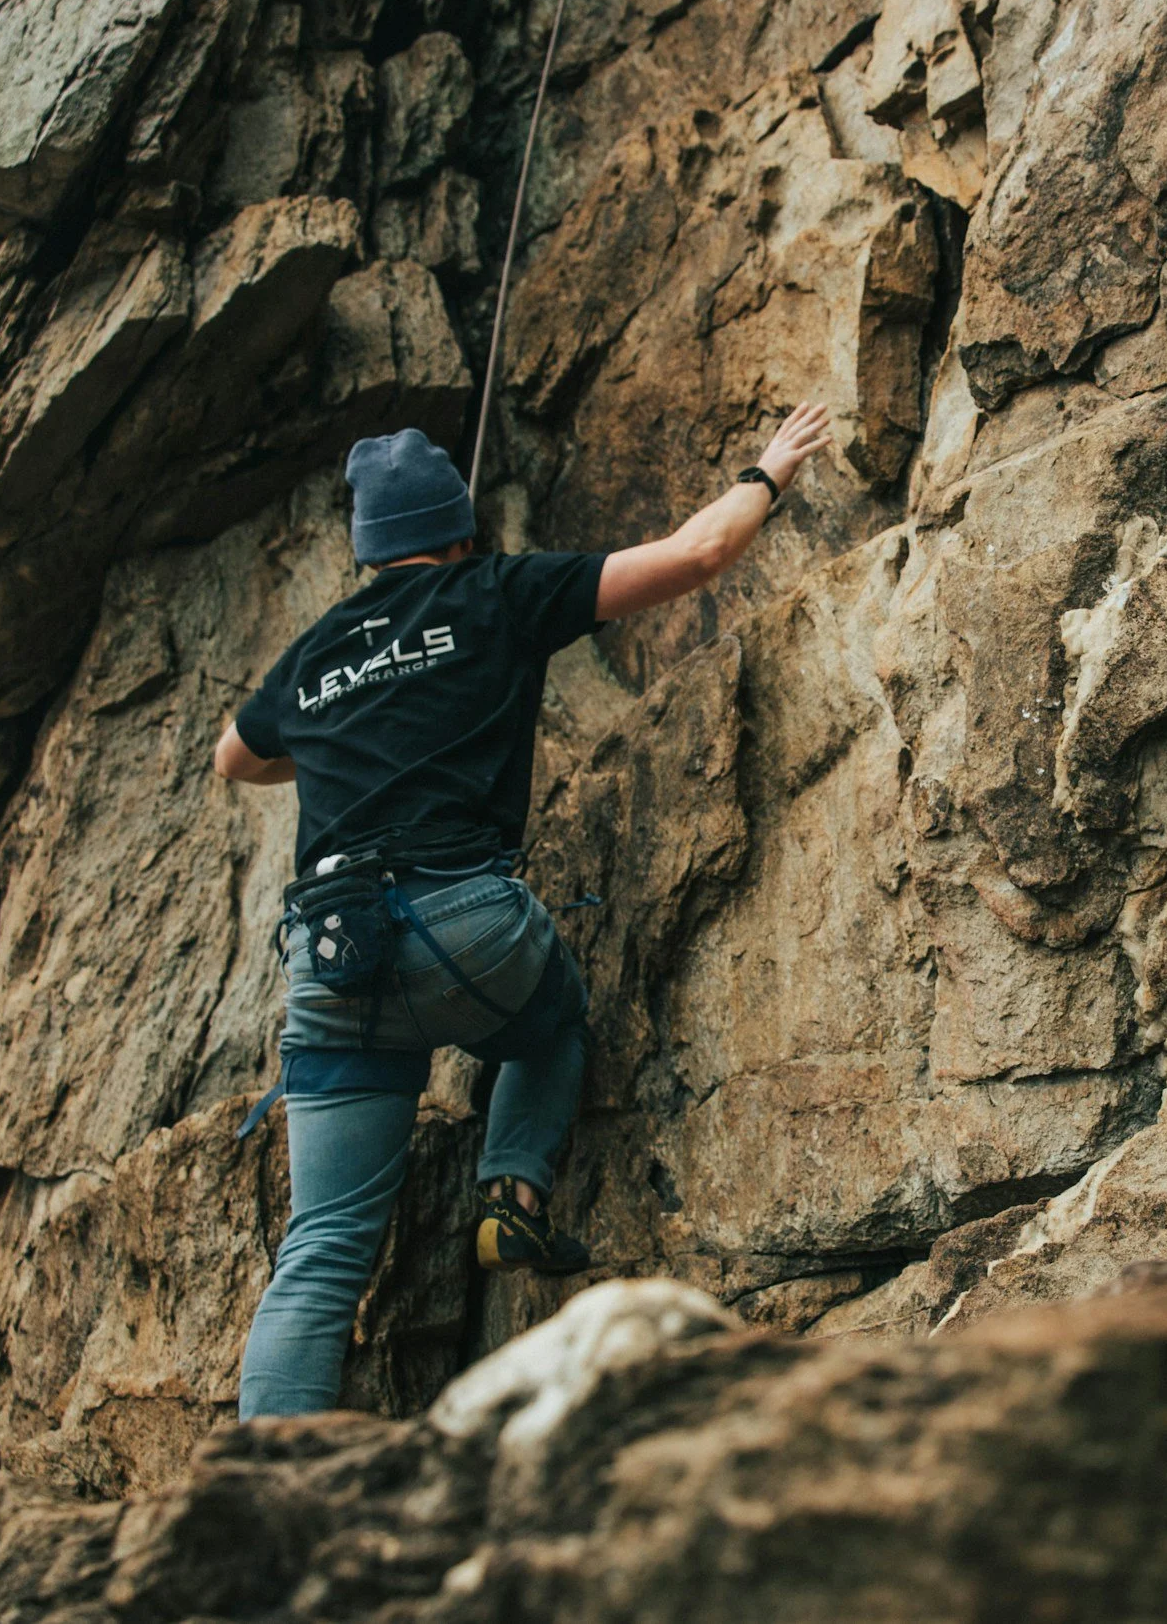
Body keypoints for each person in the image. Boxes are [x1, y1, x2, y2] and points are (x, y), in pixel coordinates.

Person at [214, 402, 831, 1419]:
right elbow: (698, 553)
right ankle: (511, 1194)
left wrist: (330, 736)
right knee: (549, 1023)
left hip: (334, 958)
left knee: (321, 1250)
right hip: (464, 929)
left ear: (369, 551)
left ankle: (259, 1489)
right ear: (459, 528)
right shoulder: (499, 590)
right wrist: (768, 468)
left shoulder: (318, 649)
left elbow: (236, 758)